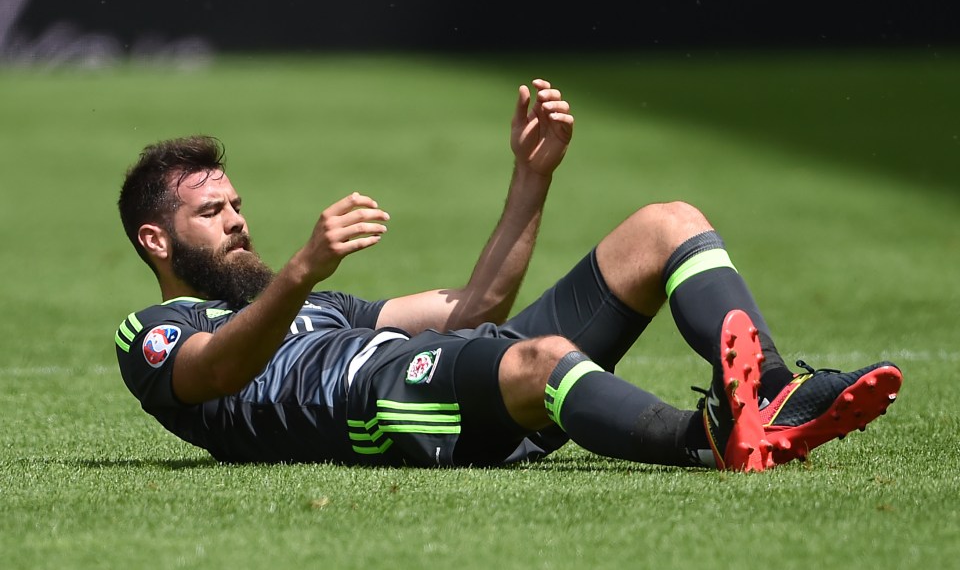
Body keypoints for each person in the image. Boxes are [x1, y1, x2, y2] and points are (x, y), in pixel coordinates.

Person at [114, 79, 902, 471]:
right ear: (157, 240)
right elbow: (222, 368)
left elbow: (474, 306)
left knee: (667, 224)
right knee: (540, 358)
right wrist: (299, 273)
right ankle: (710, 440)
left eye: (237, 203)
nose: (239, 220)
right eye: (212, 214)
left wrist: (532, 179)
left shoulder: (319, 307)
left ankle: (765, 389)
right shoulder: (152, 334)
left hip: (448, 372)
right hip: (389, 410)